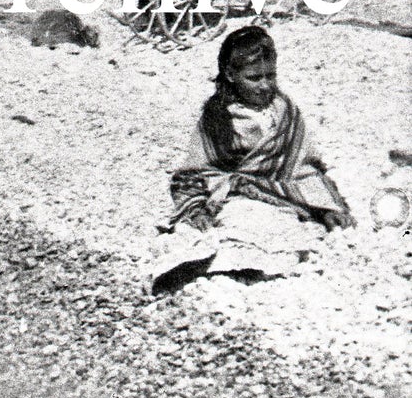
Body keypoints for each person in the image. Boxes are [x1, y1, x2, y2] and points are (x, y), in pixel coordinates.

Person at [149, 25, 353, 291]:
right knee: (239, 226)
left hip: (283, 199)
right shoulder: (218, 118)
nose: (265, 85)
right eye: (254, 78)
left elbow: (305, 168)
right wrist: (197, 208)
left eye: (271, 76)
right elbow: (196, 172)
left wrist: (325, 208)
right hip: (236, 199)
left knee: (287, 232)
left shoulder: (286, 112)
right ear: (231, 75)